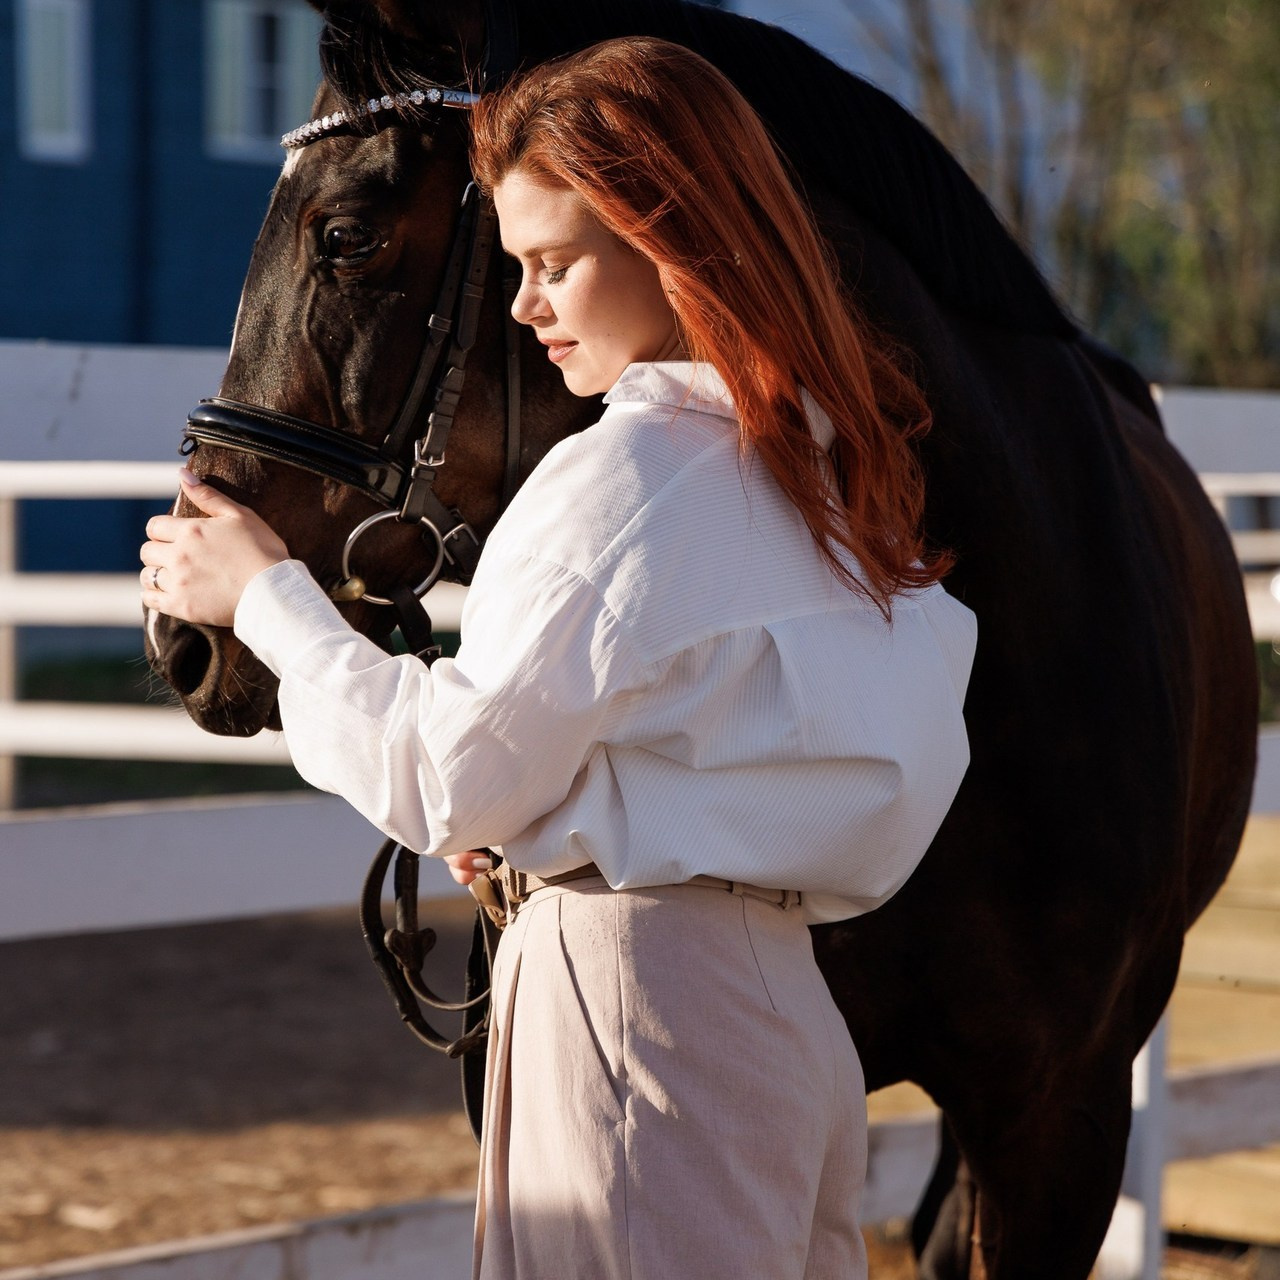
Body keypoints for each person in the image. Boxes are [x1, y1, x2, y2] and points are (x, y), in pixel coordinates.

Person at [140, 36, 976, 1280]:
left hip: (634, 1005)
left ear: (673, 243)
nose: (525, 305)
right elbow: (847, 759)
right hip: (785, 1009)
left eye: (554, 264)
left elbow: (445, 773)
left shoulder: (628, 473)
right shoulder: (820, 474)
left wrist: (263, 595)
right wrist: (575, 809)